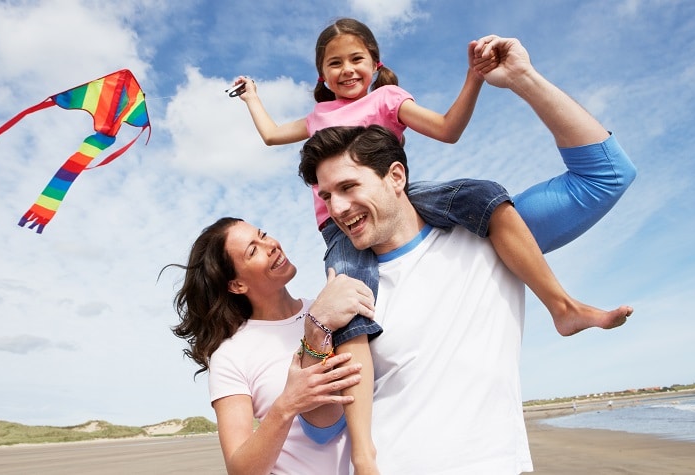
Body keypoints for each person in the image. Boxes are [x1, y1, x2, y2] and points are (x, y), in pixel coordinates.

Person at [231, 18, 635, 472]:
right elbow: (323, 425)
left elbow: (607, 176)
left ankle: (563, 307)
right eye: (326, 195)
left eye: (350, 185)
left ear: (396, 175)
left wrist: (521, 78)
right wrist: (317, 330)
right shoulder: (344, 294)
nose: (339, 207)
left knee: (485, 193)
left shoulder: (492, 237)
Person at [169, 217, 375, 474]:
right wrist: (286, 404)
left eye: (263, 234)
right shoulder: (230, 355)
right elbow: (239, 469)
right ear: (237, 285)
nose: (271, 245)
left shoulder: (329, 307)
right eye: (253, 250)